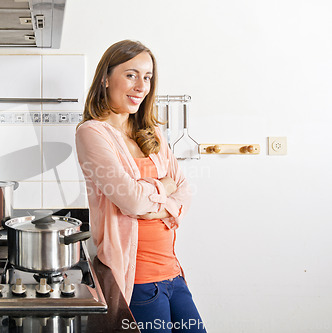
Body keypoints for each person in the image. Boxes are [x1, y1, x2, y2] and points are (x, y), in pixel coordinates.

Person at [75, 40, 206, 333]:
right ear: (106, 78)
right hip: (138, 282)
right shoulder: (93, 133)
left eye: (147, 77)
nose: (141, 86)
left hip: (173, 274)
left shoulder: (151, 131)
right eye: (131, 74)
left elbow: (184, 189)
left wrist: (154, 204)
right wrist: (163, 188)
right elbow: (132, 202)